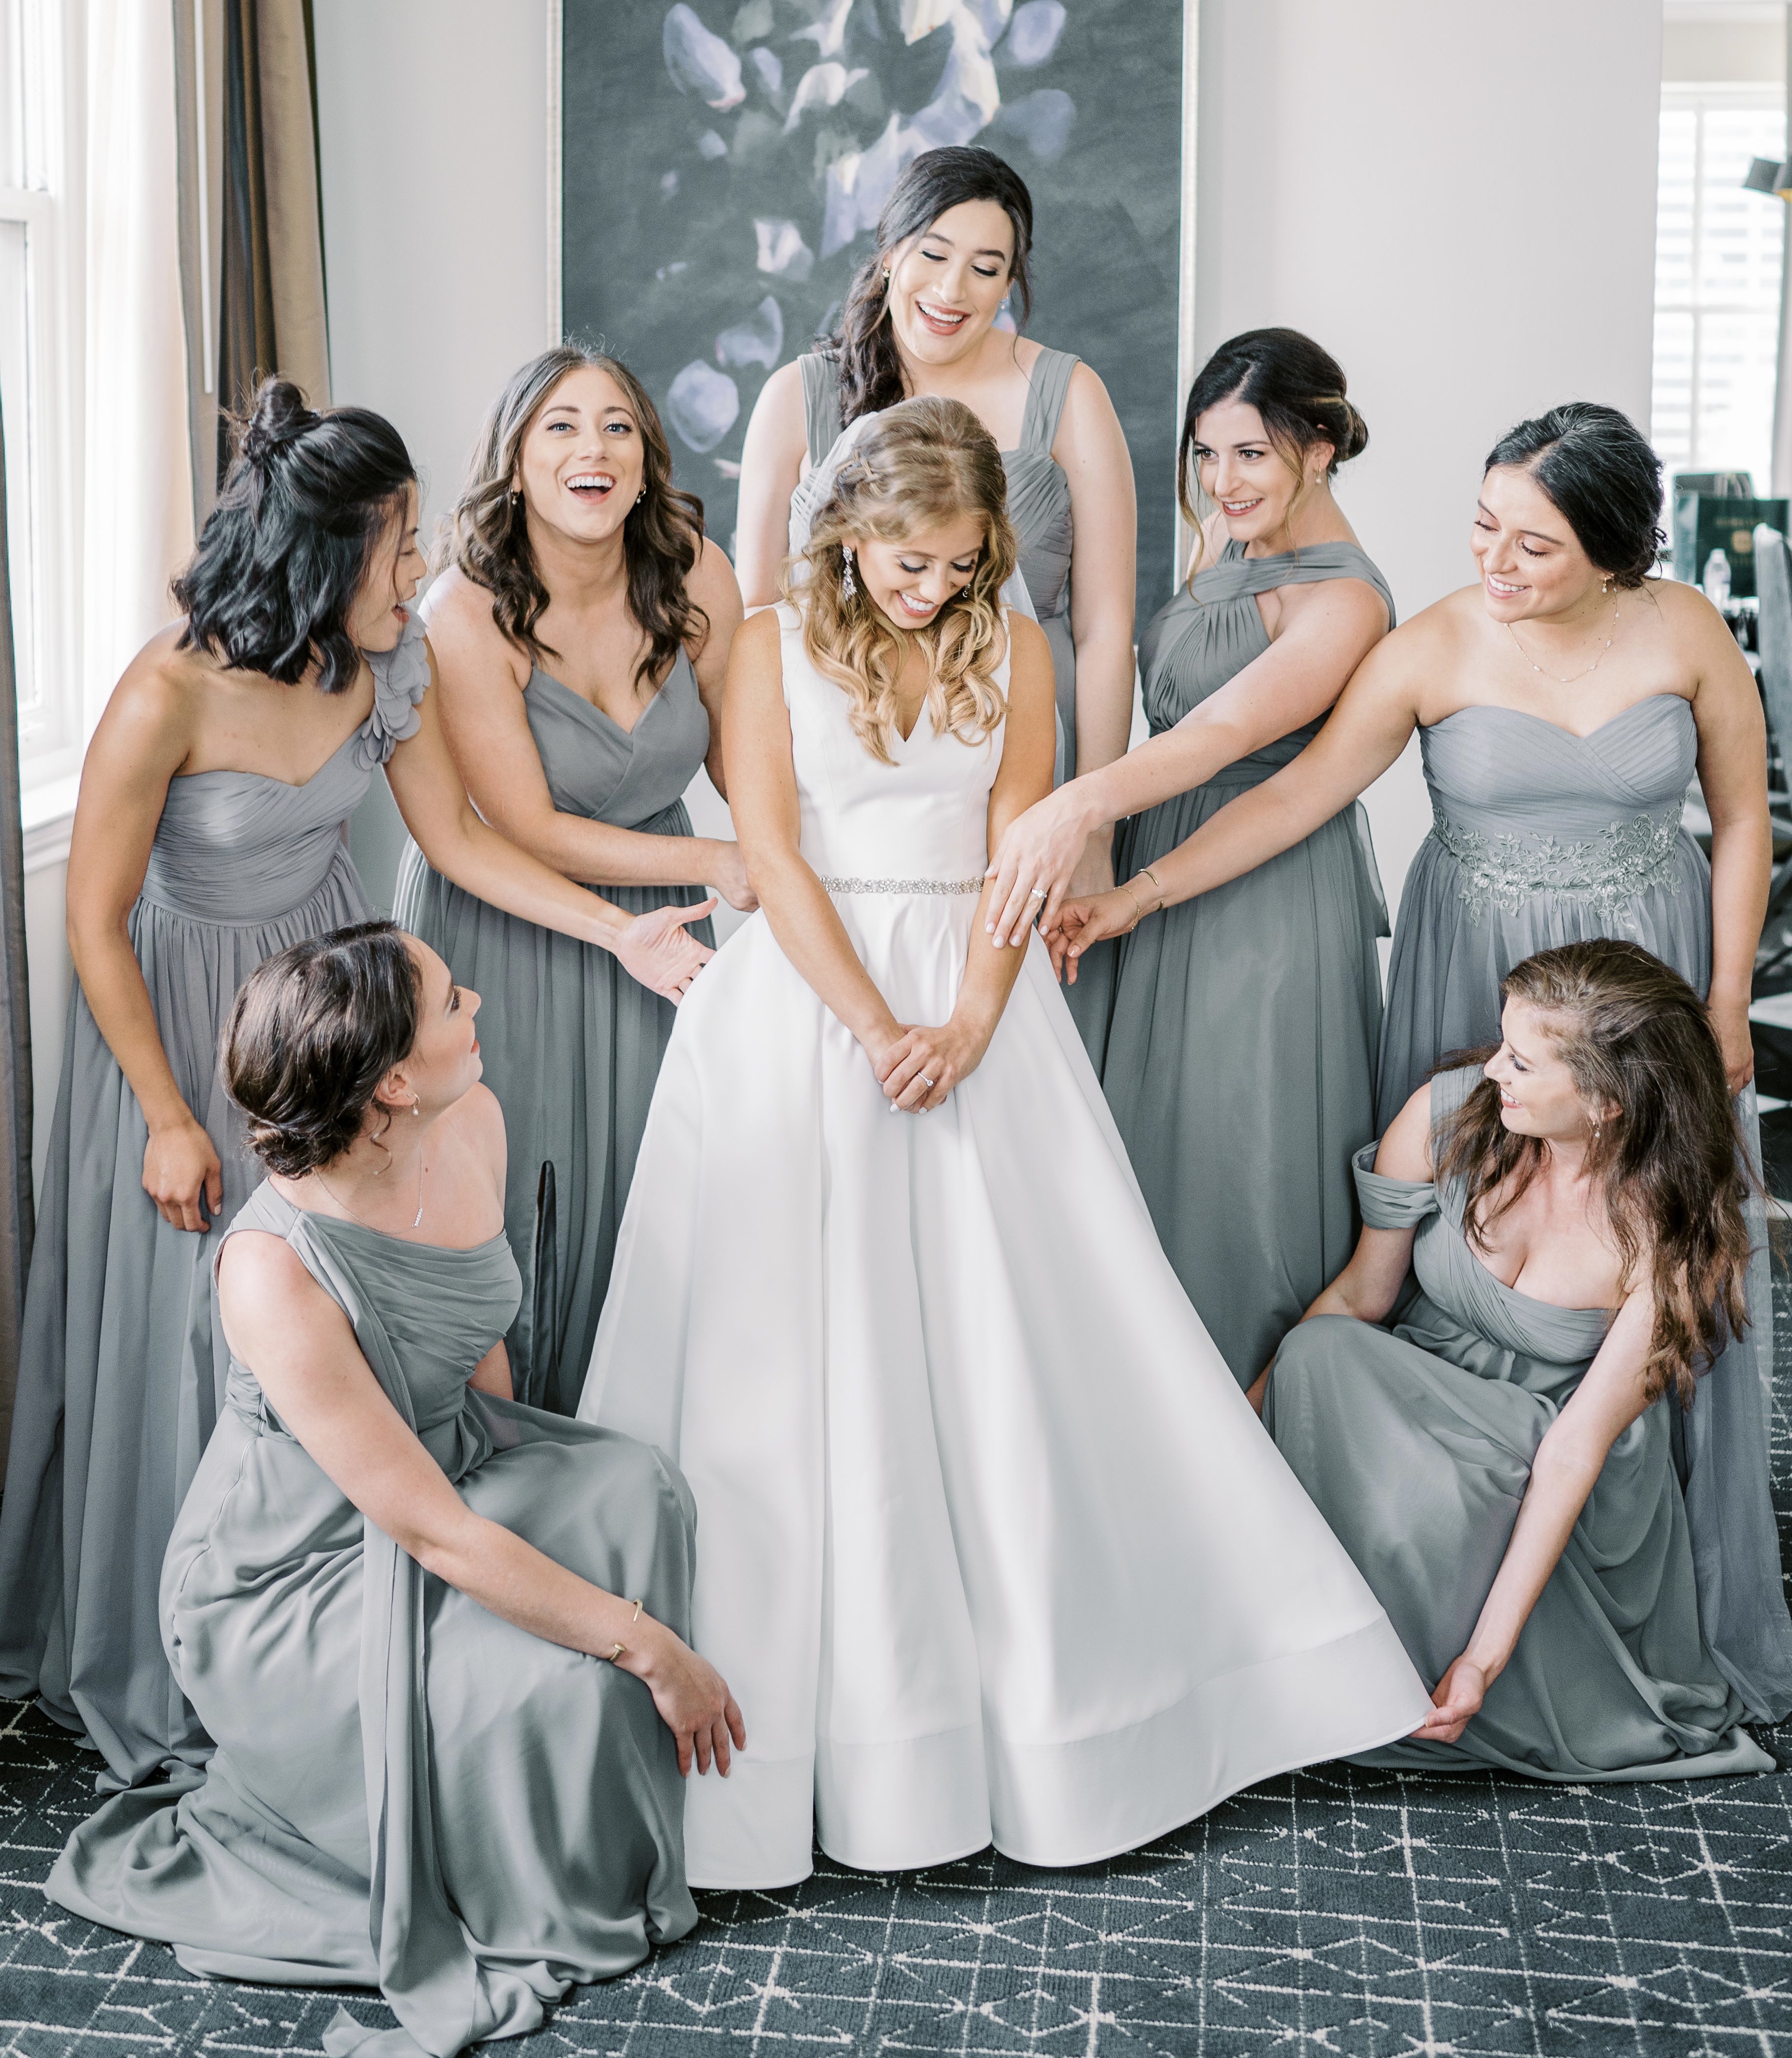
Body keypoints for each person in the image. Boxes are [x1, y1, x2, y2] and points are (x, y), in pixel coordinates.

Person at [579, 396, 1432, 1891]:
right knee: (785, 1369)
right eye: (907, 564)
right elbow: (769, 852)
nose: (933, 590)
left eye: (961, 564)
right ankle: (798, 1749)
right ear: (847, 531)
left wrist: (969, 1021)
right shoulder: (770, 644)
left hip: (982, 999)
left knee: (1014, 1348)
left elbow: (1019, 838)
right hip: (806, 1000)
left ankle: (1060, 1711)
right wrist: (868, 1025)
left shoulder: (1016, 645)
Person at [0, 380, 713, 1792]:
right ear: (326, 554)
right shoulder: (168, 689)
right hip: (190, 1026)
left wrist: (614, 925)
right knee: (195, 1338)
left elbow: (453, 837)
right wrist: (164, 1112)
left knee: (344, 1312)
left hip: (338, 1004)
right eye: (397, 549)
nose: (418, 573)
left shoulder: (377, 672)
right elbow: (90, 921)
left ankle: (364, 1596)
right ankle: (187, 1646)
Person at [1042, 400, 1792, 1719]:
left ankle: (1679, 1587)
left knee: (1661, 1261)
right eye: (1483, 528)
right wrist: (1135, 892)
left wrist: (1726, 994)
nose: (1497, 564)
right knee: (1472, 1260)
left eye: (1536, 546)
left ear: (1616, 551)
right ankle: (1447, 1586)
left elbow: (1741, 814)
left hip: (1657, 981)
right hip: (1485, 977)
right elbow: (1286, 793)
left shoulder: (1680, 632)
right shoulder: (1432, 642)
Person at [46, 923, 743, 2058]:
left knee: (634, 1485)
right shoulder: (272, 1268)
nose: (479, 1002)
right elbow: (431, 1528)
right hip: (293, 1571)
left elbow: (477, 1335)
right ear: (395, 1082)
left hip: (447, 1459)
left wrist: (520, 1456)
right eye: (452, 1001)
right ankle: (516, 1839)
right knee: (563, 1692)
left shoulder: (472, 1115)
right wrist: (651, 1648)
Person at [1260, 940, 1782, 1775]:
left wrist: (1485, 1659)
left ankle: (1442, 1662)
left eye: (1523, 1061)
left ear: (1609, 1101)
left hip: (1553, 1455)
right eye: (1504, 1043)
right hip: (1420, 1394)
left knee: (1434, 1504)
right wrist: (1232, 1436)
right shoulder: (1450, 1115)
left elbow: (1576, 1448)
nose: (1492, 1067)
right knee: (1315, 1355)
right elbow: (1361, 1298)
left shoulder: (1672, 1228)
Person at [393, 347, 748, 1415]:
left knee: (660, 1178)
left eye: (615, 427)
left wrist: (810, 853)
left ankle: (637, 1445)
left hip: (666, 924)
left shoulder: (697, 570)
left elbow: (742, 756)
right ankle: (523, 1456)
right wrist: (721, 862)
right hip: (512, 916)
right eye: (559, 426)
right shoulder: (465, 610)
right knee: (523, 1198)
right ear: (514, 463)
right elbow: (528, 824)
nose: (590, 447)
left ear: (645, 462)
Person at [735, 142, 1136, 1061]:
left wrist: (1091, 823)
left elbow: (1107, 626)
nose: (953, 287)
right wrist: (765, 821)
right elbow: (756, 615)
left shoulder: (1068, 397)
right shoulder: (797, 397)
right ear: (888, 251)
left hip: (1009, 774)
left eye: (987, 267)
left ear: (1013, 283)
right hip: (846, 788)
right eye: (934, 252)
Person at [1056, 329, 1395, 1382]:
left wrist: (1068, 817)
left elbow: (1216, 740)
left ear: (1322, 444)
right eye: (1207, 454)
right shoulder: (1232, 547)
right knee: (1140, 1149)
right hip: (1160, 866)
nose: (1221, 480)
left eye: (1249, 452)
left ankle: (1242, 1420)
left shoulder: (1346, 599)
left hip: (1263, 897)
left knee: (1229, 1159)